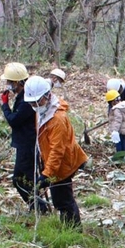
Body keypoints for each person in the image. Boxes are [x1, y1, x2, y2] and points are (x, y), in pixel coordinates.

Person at [24, 76, 88, 227]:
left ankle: (73, 231)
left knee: (63, 199)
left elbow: (57, 150)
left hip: (63, 164)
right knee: (60, 199)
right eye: (31, 103)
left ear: (47, 96)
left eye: (36, 102)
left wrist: (47, 174)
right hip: (53, 163)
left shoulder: (57, 119)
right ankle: (67, 226)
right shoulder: (42, 110)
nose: (34, 105)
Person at [0, 62, 47, 214]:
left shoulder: (27, 100)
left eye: (9, 82)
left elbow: (14, 120)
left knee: (22, 180)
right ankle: (38, 208)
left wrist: (5, 105)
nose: (8, 85)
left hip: (29, 145)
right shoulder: (22, 97)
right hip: (24, 143)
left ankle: (39, 208)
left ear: (17, 83)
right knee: (22, 179)